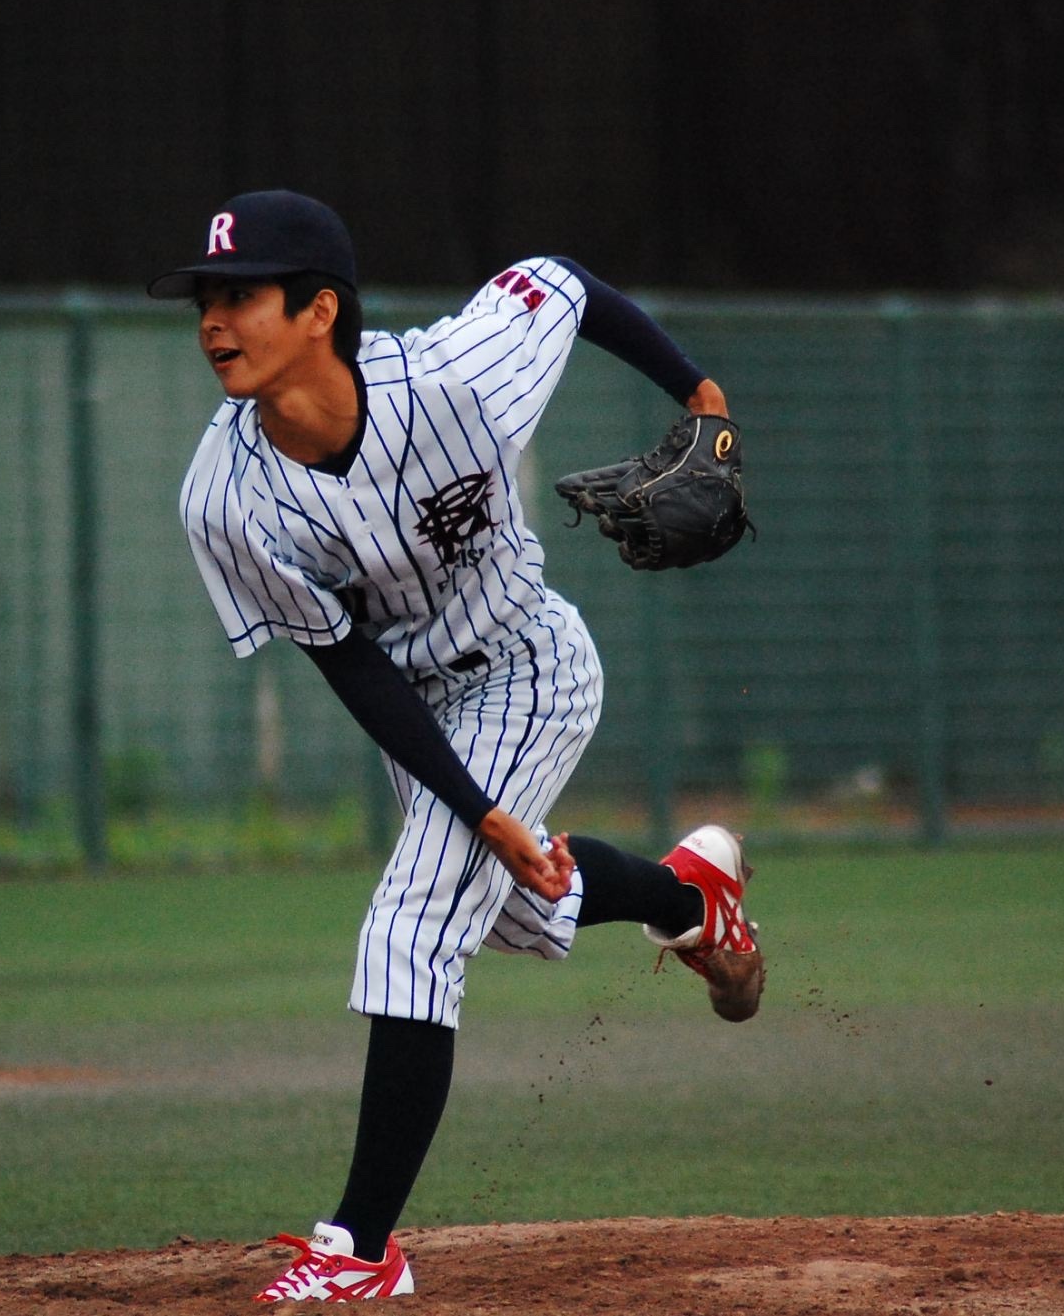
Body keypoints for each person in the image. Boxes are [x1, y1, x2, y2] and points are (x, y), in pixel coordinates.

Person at [150, 190, 764, 1302]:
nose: (212, 320)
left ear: (319, 309)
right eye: (204, 298)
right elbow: (350, 664)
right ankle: (690, 896)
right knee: (513, 906)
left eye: (240, 294)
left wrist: (699, 392)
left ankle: (359, 1249)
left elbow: (561, 281)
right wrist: (480, 810)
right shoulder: (224, 499)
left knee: (413, 927)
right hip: (421, 707)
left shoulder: (453, 378)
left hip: (529, 664)